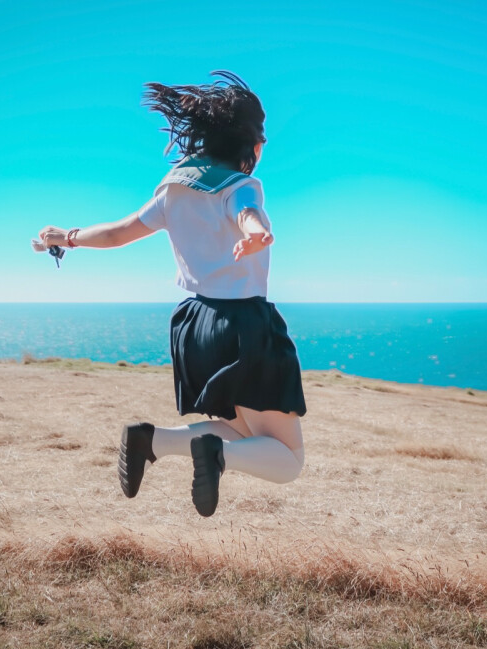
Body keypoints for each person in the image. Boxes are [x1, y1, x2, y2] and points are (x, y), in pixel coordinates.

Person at [37, 71, 306, 517]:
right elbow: (248, 214)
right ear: (249, 144)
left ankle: (151, 440)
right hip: (244, 327)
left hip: (195, 326)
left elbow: (119, 233)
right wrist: (257, 233)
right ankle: (215, 456)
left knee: (241, 431)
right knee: (287, 458)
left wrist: (68, 236)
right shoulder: (240, 186)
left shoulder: (174, 189)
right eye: (262, 138)